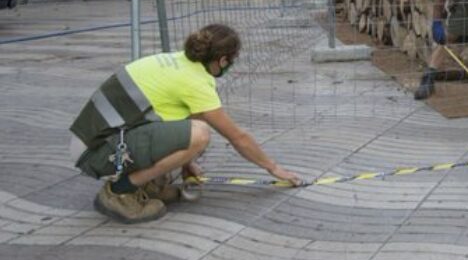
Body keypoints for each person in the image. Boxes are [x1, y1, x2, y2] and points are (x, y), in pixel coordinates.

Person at [69, 24, 302, 224]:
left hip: (95, 140)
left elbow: (184, 117)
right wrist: (273, 168)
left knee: (196, 124)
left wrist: (186, 163)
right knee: (200, 135)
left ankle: (148, 185)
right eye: (232, 60)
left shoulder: (175, 60)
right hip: (95, 152)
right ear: (222, 60)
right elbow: (237, 137)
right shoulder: (196, 82)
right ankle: (119, 191)